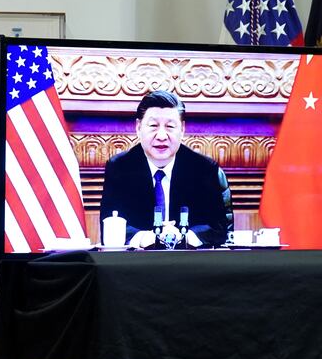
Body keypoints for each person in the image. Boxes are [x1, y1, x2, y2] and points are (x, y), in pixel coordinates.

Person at [99, 90, 232, 248]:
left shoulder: (203, 169)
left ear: (182, 129)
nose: (161, 136)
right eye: (153, 126)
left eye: (170, 126)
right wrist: (144, 238)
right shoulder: (120, 168)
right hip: (137, 264)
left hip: (191, 263)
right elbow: (110, 225)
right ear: (138, 127)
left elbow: (218, 228)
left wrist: (184, 236)